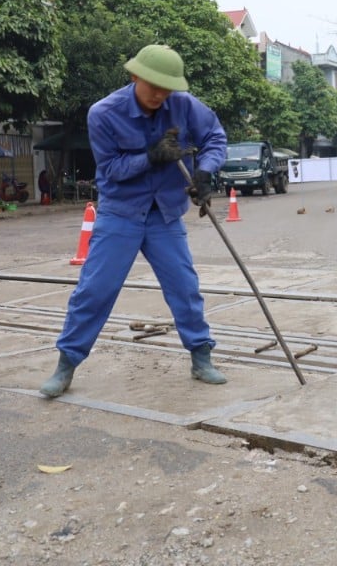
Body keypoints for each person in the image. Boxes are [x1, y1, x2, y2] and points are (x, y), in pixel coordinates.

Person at [40, 44, 229, 398]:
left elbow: (215, 138)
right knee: (95, 290)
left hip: (166, 215)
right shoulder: (104, 113)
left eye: (167, 87)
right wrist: (151, 157)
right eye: (153, 85)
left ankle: (201, 358)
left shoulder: (185, 105)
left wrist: (205, 171)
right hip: (120, 213)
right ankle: (66, 364)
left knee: (185, 288)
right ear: (134, 76)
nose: (160, 94)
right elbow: (110, 170)